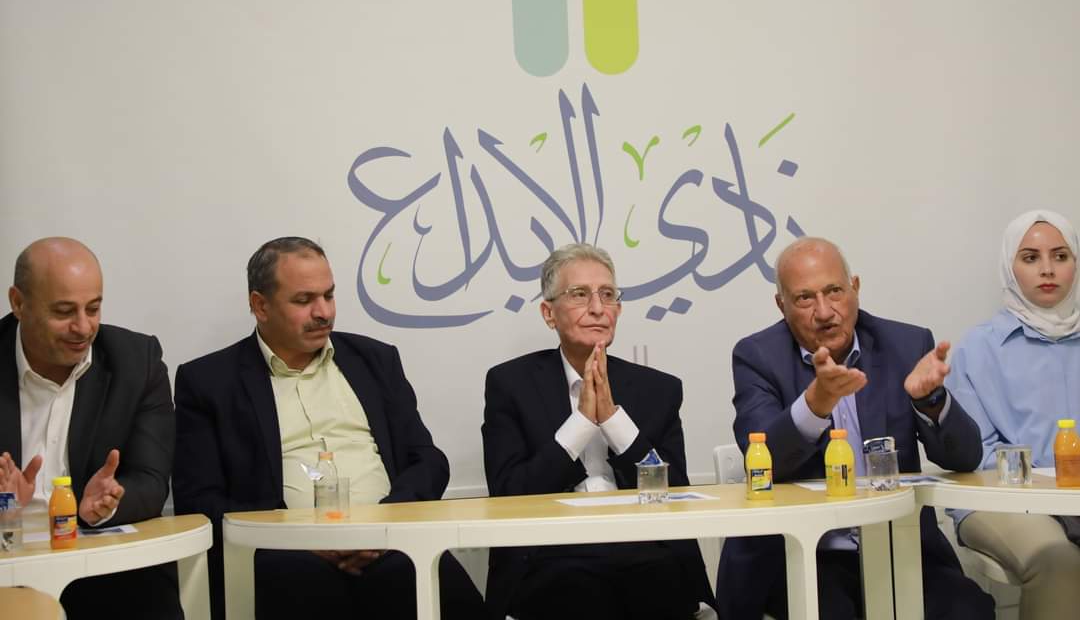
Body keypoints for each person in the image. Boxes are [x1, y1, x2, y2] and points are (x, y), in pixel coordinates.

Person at [171, 236, 484, 620]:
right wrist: (296, 536)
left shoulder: (375, 361)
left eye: (329, 296)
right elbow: (198, 499)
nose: (323, 312)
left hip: (389, 544)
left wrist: (385, 522)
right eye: (304, 300)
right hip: (282, 554)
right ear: (260, 305)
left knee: (444, 588)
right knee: (302, 588)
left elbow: (427, 460)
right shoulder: (209, 381)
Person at [715, 236, 994, 620]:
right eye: (805, 298)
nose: (824, 311)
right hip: (804, 554)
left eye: (834, 291)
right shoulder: (758, 356)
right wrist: (816, 404)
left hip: (899, 547)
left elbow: (965, 458)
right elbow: (763, 463)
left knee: (968, 611)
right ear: (781, 305)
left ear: (855, 288)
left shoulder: (906, 344)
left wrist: (930, 400)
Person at [482, 243, 715, 620]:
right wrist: (581, 424)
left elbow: (674, 492)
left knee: (657, 583)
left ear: (618, 310)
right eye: (579, 294)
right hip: (552, 552)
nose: (597, 308)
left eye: (607, 295)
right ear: (548, 313)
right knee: (577, 589)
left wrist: (612, 420)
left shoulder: (658, 389)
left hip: (642, 547)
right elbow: (509, 494)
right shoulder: (510, 384)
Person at [0, 237, 180, 619]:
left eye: (93, 308)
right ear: (18, 303)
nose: (83, 327)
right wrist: (5, 507)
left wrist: (106, 505)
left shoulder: (137, 361)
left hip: (99, 564)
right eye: (64, 311)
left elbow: (150, 480)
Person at [945, 209, 1080, 619]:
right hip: (1001, 499)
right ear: (1009, 267)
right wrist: (1049, 481)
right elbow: (975, 454)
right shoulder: (980, 348)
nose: (1047, 270)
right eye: (1030, 257)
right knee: (1056, 559)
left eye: (1060, 256)